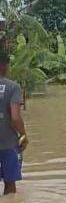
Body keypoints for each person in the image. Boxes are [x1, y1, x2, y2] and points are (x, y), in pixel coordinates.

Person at [0, 52, 28, 195]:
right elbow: (15, 118)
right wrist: (23, 135)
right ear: (4, 66)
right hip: (8, 145)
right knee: (10, 187)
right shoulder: (13, 87)